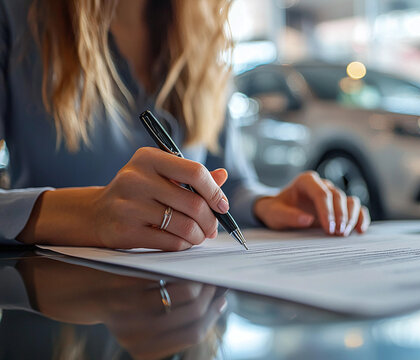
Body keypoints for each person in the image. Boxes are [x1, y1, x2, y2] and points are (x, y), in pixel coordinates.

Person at [0, 0, 370, 250]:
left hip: (187, 309)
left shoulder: (203, 34)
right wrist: (88, 213)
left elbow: (230, 182)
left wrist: (267, 205)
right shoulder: (16, 17)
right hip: (50, 315)